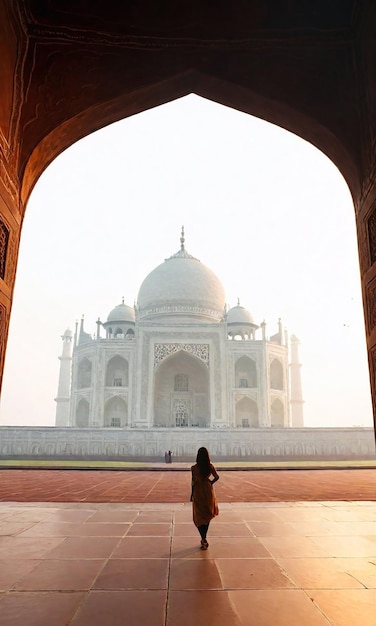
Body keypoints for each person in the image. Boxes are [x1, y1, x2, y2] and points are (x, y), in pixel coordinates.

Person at [191, 447, 219, 550]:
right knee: (207, 514)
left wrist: (192, 494)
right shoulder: (209, 466)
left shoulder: (194, 468)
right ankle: (204, 538)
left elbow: (193, 482)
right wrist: (210, 483)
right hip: (208, 491)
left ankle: (203, 538)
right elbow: (217, 477)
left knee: (198, 516)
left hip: (198, 492)